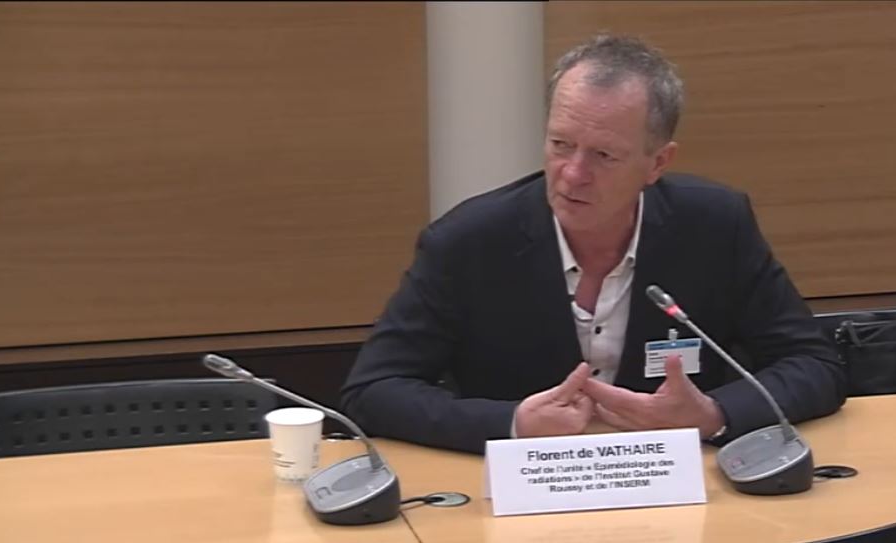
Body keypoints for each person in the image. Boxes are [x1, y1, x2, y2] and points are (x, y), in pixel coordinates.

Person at [341, 34, 845, 454]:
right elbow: (372, 391)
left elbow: (815, 365)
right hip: (523, 494)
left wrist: (713, 414)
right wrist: (512, 423)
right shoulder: (468, 243)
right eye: (560, 145)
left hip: (679, 490)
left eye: (604, 155)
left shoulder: (715, 226)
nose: (573, 175)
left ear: (657, 163)